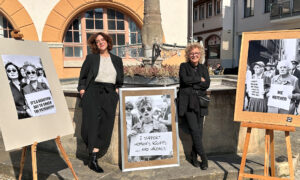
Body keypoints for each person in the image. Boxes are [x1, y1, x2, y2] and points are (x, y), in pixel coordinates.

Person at [77, 32, 124, 173]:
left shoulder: (117, 60)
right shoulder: (91, 58)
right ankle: (92, 157)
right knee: (91, 124)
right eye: (97, 41)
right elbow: (83, 76)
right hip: (93, 92)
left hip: (109, 94)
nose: (100, 42)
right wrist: (82, 91)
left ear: (108, 42)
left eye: (102, 40)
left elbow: (120, 79)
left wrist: (116, 91)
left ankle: (94, 155)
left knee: (105, 124)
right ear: (95, 45)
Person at [177, 43, 210, 170]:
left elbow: (206, 84)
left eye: (196, 53)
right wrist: (198, 80)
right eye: (192, 53)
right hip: (188, 104)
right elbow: (184, 80)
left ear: (200, 55)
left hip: (200, 104)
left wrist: (194, 83)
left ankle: (193, 155)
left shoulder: (203, 68)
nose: (194, 55)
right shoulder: (183, 66)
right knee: (195, 131)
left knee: (199, 133)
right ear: (188, 55)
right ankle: (204, 158)